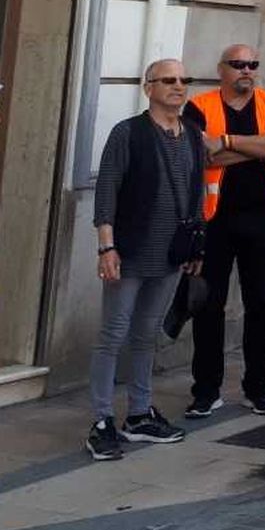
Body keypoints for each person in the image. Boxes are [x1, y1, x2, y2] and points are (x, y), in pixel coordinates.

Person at [86, 60, 206, 460]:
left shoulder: (191, 134)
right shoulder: (128, 133)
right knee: (113, 334)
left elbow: (197, 193)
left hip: (171, 254)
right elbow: (108, 188)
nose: (178, 86)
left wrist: (195, 247)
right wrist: (107, 245)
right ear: (148, 87)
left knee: (147, 335)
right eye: (168, 80)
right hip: (130, 250)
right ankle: (101, 420)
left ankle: (139, 413)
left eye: (183, 80)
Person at [183, 44, 265, 418]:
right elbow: (200, 156)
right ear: (221, 69)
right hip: (214, 219)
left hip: (262, 216)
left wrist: (227, 144)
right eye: (238, 64)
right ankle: (206, 390)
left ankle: (258, 387)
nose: (247, 70)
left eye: (253, 64)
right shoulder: (200, 107)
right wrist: (258, 150)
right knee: (208, 305)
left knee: (261, 302)